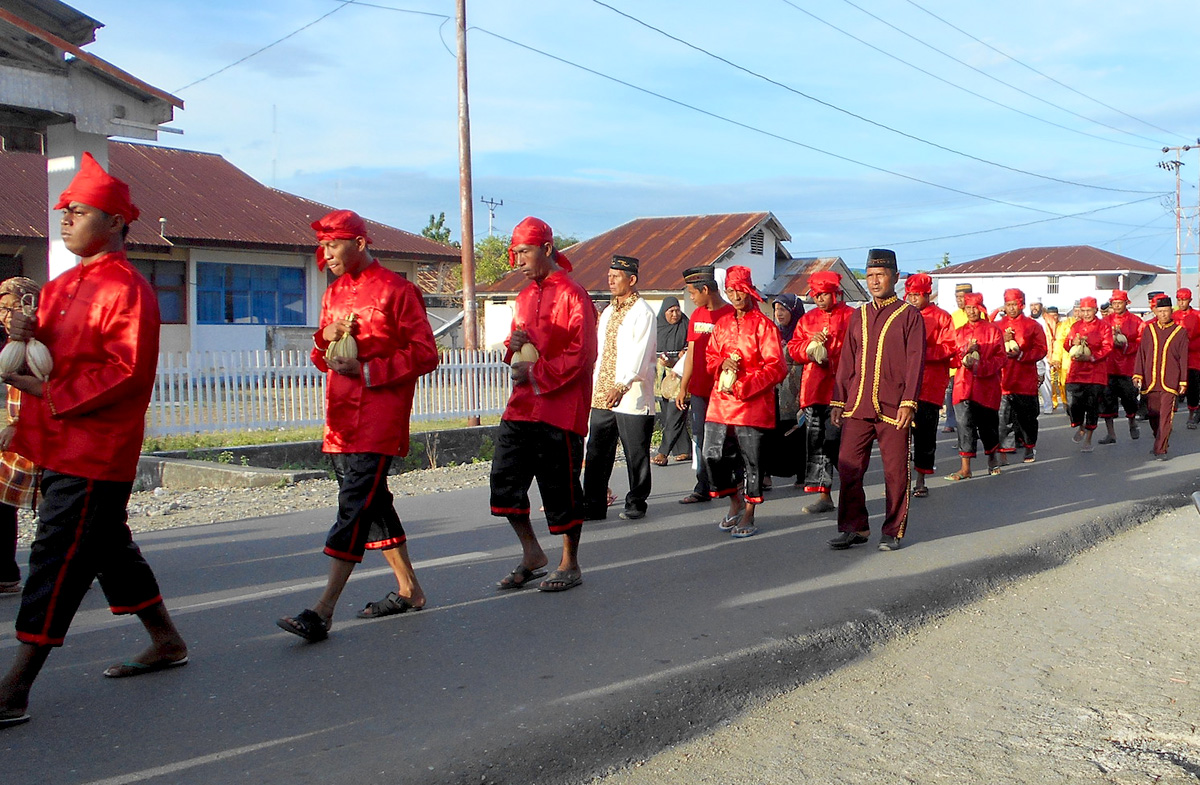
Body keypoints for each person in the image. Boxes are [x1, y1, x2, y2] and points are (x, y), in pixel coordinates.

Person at [0, 153, 188, 729]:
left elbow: (125, 372)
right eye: (64, 211)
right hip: (58, 441)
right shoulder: (58, 288)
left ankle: (15, 687)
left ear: (114, 223)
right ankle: (167, 641)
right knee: (105, 544)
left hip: (96, 449)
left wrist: (44, 391)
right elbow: (50, 355)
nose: (64, 219)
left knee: (57, 556)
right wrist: (24, 334)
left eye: (77, 212)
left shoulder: (129, 289)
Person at [276, 210, 440, 642]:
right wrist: (324, 337)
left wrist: (368, 370)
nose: (325, 254)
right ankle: (410, 590)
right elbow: (321, 360)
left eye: (333, 245)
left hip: (378, 418)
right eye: (323, 246)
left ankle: (323, 609)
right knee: (373, 503)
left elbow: (426, 354)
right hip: (340, 419)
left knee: (353, 506)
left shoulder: (398, 291)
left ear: (360, 244)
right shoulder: (333, 294)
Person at [489, 217, 597, 592]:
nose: (517, 260)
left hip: (560, 408)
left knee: (560, 488)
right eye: (514, 252)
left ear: (547, 249)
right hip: (521, 406)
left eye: (524, 251)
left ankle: (570, 562)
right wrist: (514, 344)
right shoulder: (521, 297)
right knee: (504, 484)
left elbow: (581, 354)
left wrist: (537, 373)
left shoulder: (573, 294)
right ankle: (532, 552)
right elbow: (516, 352)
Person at [829, 249, 925, 551]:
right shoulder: (858, 315)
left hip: (894, 406)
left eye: (880, 275)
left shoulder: (909, 316)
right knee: (848, 466)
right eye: (869, 276)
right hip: (857, 404)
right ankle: (854, 527)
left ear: (895, 278)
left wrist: (909, 401)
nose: (874, 281)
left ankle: (893, 529)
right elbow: (847, 359)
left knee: (895, 471)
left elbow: (915, 361)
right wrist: (838, 400)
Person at [702, 266, 787, 538]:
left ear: (749, 290)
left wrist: (747, 384)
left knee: (753, 462)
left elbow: (776, 367)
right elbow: (710, 356)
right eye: (730, 290)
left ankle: (749, 512)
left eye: (739, 290)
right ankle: (735, 501)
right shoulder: (723, 324)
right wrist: (720, 363)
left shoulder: (765, 326)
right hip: (721, 401)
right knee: (712, 455)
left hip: (752, 404)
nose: (735, 295)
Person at [582, 255, 657, 521]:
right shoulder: (609, 312)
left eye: (617, 276)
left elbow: (640, 354)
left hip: (631, 394)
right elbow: (601, 351)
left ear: (632, 280)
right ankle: (592, 504)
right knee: (597, 451)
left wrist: (621, 384)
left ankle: (636, 502)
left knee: (635, 452)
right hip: (602, 391)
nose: (610, 280)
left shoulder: (643, 313)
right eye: (609, 276)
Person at [788, 270, 853, 514]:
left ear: (836, 293)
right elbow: (794, 349)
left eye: (824, 294)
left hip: (843, 390)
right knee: (817, 444)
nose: (819, 300)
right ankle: (824, 495)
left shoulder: (852, 317)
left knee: (837, 443)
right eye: (816, 295)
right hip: (814, 389)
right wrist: (810, 346)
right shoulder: (807, 320)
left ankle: (850, 489)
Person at [674, 266, 733, 505]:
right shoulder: (697, 315)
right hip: (699, 390)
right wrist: (683, 386)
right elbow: (691, 354)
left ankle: (732, 483)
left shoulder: (730, 314)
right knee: (699, 436)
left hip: (724, 391)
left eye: (692, 293)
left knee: (727, 438)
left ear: (706, 289)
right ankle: (703, 485)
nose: (691, 298)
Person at [0, 278, 41, 596]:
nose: (6, 314)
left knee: (58, 507)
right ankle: (5, 572)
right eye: (1, 308)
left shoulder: (37, 342)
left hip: (39, 434)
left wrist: (17, 424)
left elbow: (40, 389)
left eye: (12, 306)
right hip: (20, 434)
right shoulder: (12, 343)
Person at [903, 273, 955, 497]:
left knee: (925, 435)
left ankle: (921, 479)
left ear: (927, 294)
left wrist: (922, 352)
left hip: (930, 385)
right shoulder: (901, 316)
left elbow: (950, 347)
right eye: (910, 295)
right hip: (903, 386)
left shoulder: (942, 317)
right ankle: (901, 480)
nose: (913, 299)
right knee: (900, 436)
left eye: (917, 295)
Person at [946, 292, 1005, 480]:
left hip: (986, 386)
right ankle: (965, 468)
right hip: (963, 385)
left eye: (974, 308)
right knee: (964, 425)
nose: (971, 311)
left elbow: (1001, 357)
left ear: (980, 309)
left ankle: (992, 459)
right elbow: (952, 357)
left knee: (988, 424)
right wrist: (965, 353)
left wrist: (980, 366)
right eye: (968, 308)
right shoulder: (959, 331)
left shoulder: (993, 330)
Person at [995, 288, 1048, 464]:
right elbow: (989, 348)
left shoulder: (1033, 326)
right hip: (1003, 380)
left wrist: (1021, 355)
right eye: (1008, 305)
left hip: (1025, 379)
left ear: (1022, 305)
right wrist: (1002, 340)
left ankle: (1029, 447)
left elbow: (1041, 349)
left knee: (1027, 418)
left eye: (1014, 305)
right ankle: (1003, 451)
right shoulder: (997, 326)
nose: (1011, 308)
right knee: (1003, 419)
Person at [1134, 295, 1188, 459]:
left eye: (1166, 311)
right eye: (1160, 311)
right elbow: (1141, 354)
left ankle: (1160, 448)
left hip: (1170, 380)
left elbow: (1184, 358)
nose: (1163, 314)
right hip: (1151, 380)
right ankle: (1160, 439)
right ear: (1155, 311)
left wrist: (1183, 380)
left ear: (1172, 311)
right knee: (1153, 414)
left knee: (1166, 416)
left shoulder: (1180, 332)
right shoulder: (1149, 330)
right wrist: (1138, 374)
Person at [762, 293, 807, 486]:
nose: (779, 314)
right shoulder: (773, 333)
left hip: (797, 387)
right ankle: (768, 474)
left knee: (797, 433)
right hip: (776, 389)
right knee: (773, 432)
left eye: (783, 309)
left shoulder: (804, 333)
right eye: (776, 310)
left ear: (793, 310)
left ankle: (802, 473)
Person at [1062, 296, 1113, 452]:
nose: (1085, 314)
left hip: (1095, 373)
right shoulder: (1076, 326)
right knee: (1073, 403)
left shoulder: (1104, 327)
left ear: (1095, 310)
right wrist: (1073, 343)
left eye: (1088, 311)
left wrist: (1091, 357)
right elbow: (1066, 344)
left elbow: (1108, 347)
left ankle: (1088, 437)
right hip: (1076, 372)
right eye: (1083, 311)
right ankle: (1080, 425)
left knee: (1092, 406)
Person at [1097, 289, 1143, 445]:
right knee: (1107, 401)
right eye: (1114, 303)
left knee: (1130, 398)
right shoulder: (1105, 322)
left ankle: (1132, 422)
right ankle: (1111, 434)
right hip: (1108, 367)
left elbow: (1141, 342)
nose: (1116, 306)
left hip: (1127, 367)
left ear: (1126, 303)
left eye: (1119, 303)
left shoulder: (1136, 321)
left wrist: (1125, 345)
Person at [652, 296, 690, 466]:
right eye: (671, 311)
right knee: (670, 415)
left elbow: (692, 346)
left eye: (677, 310)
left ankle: (663, 452)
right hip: (661, 376)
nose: (675, 314)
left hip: (680, 374)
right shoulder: (656, 326)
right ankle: (684, 449)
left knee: (675, 412)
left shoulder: (686, 325)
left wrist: (683, 353)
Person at [942, 283, 973, 431]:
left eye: (962, 297)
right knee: (950, 393)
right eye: (957, 297)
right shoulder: (953, 316)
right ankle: (950, 422)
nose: (959, 300)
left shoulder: (978, 314)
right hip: (955, 363)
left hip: (972, 363)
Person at [1172, 288, 1200, 428]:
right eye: (1179, 300)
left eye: (1184, 300)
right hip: (1176, 358)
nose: (1182, 302)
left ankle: (1192, 414)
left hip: (1193, 357)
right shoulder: (1173, 316)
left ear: (1190, 300)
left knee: (1193, 387)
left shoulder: (1197, 315)